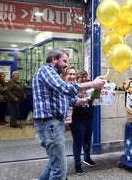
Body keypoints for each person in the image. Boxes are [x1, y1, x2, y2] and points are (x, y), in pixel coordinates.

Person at [32, 49, 105, 180]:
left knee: (53, 163)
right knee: (60, 169)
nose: (66, 65)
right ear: (54, 59)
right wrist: (93, 84)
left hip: (53, 124)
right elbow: (66, 89)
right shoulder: (46, 70)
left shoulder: (53, 75)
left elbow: (72, 100)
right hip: (50, 124)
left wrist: (91, 97)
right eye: (64, 61)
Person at [69, 70, 95, 175]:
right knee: (78, 142)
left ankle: (87, 158)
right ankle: (77, 164)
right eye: (81, 77)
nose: (84, 79)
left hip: (89, 118)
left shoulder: (91, 90)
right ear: (77, 79)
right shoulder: (73, 89)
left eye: (86, 77)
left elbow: (98, 100)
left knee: (88, 139)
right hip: (77, 120)